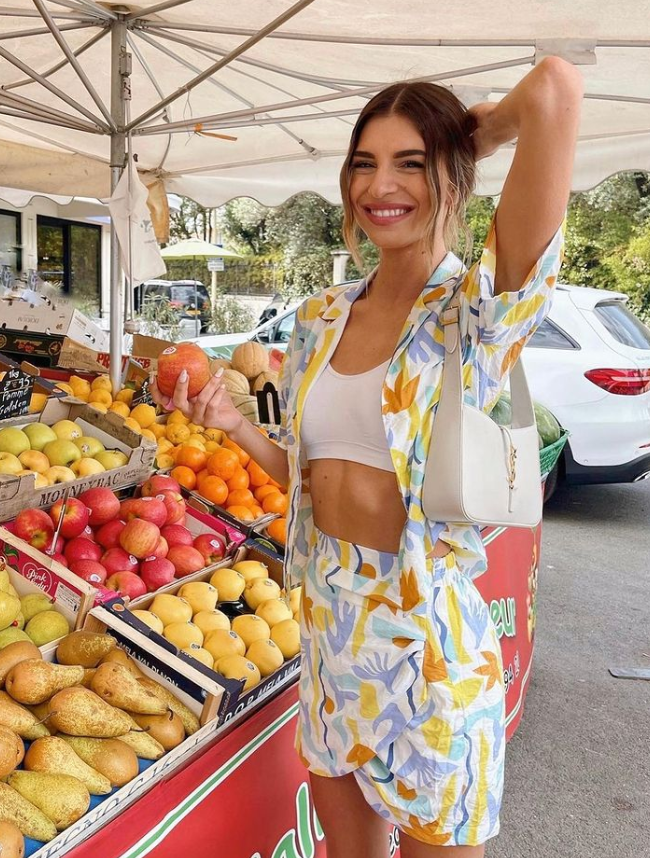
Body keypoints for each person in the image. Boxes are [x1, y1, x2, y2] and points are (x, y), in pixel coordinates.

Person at [151, 57, 583, 857]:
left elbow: (555, 87)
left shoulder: (474, 315)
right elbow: (306, 479)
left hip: (426, 647)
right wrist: (238, 428)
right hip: (329, 631)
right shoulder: (321, 317)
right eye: (366, 163)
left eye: (410, 164)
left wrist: (471, 135)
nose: (381, 185)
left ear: (450, 174)